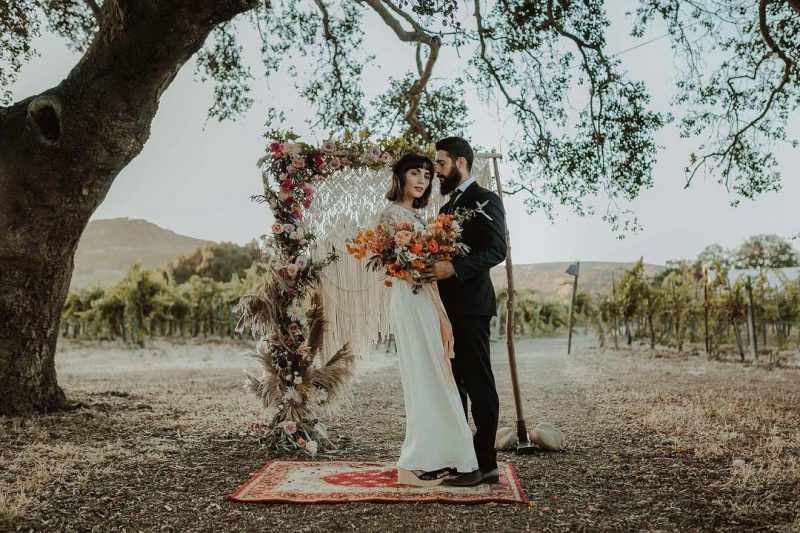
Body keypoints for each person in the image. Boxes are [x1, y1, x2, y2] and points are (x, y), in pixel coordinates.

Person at [377, 152, 479, 487]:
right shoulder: (390, 215)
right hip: (411, 300)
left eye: (426, 175)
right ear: (401, 177)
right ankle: (415, 461)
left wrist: (441, 309)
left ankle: (440, 455)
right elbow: (396, 267)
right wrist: (418, 273)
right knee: (425, 374)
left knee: (437, 373)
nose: (421, 180)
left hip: (428, 299)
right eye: (415, 173)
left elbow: (429, 269)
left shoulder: (421, 217)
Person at [420, 136, 507, 487]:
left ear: (460, 162)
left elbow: (497, 249)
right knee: (454, 385)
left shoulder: (486, 200)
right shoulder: (445, 209)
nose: (435, 171)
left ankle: (486, 463)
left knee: (478, 383)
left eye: (440, 164)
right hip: (445, 309)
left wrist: (454, 269)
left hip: (472, 308)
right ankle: (460, 458)